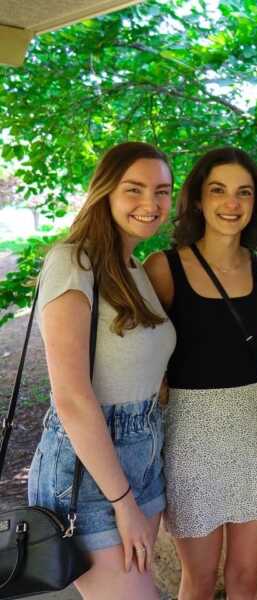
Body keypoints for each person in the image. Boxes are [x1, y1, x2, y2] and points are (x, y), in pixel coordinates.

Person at [27, 142, 176, 598]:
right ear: (105, 192)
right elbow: (71, 398)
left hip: (144, 454)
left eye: (162, 191)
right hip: (88, 471)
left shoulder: (136, 268)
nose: (150, 204)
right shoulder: (73, 262)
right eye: (134, 189)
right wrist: (123, 503)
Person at [144, 147, 257, 600]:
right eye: (217, 190)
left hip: (254, 429)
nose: (231, 203)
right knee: (199, 581)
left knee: (246, 577)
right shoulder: (164, 268)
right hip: (190, 433)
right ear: (198, 200)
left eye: (243, 192)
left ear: (255, 203)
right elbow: (142, 356)